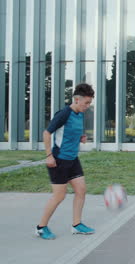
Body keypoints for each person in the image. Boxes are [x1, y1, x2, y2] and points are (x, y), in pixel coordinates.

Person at [35, 83, 95, 240]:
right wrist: (49, 155)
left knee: (81, 190)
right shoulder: (64, 114)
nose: (88, 106)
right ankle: (41, 228)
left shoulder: (79, 114)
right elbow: (47, 133)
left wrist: (80, 137)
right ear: (76, 99)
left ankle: (76, 225)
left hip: (73, 159)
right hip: (59, 161)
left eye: (89, 103)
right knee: (59, 196)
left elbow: (70, 132)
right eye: (86, 103)